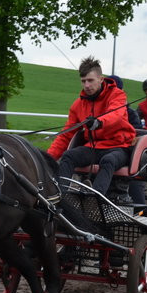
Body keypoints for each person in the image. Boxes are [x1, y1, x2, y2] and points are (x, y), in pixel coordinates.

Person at [48, 57, 136, 196]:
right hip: (94, 147)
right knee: (68, 156)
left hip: (119, 147)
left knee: (108, 160)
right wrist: (47, 159)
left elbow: (116, 114)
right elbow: (66, 135)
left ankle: (94, 199)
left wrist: (99, 122)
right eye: (83, 81)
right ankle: (60, 197)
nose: (87, 85)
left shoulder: (117, 95)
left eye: (90, 80)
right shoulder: (77, 105)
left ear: (101, 79)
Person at [108, 75, 146, 206]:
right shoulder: (100, 111)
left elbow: (136, 134)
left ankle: (139, 210)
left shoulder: (131, 113)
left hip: (125, 154)